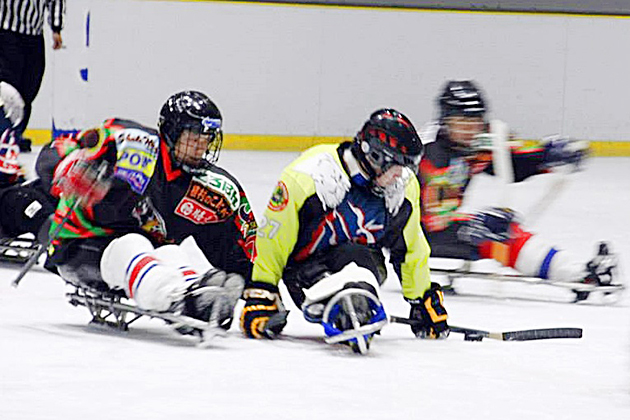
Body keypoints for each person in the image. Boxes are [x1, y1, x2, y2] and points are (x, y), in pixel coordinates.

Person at [42, 91, 256, 332]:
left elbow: (232, 243)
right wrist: (69, 169)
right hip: (78, 245)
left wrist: (259, 290)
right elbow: (58, 150)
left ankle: (199, 295)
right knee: (131, 245)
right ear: (172, 133)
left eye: (207, 138)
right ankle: (177, 300)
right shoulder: (131, 140)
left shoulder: (209, 188)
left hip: (141, 251)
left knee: (171, 252)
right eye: (193, 136)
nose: (201, 146)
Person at [240, 108, 449, 353]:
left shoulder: (402, 187)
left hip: (365, 263)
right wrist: (263, 291)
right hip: (305, 267)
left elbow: (410, 246)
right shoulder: (310, 175)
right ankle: (346, 304)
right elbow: (275, 235)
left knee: (356, 259)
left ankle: (357, 301)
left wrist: (422, 298)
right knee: (345, 273)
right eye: (396, 166)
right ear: (375, 157)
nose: (400, 175)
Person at [417, 80, 617, 286]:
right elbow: (433, 221)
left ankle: (578, 273)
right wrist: (476, 223)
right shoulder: (433, 156)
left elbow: (509, 164)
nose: (469, 131)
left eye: (475, 123)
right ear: (445, 122)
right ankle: (578, 275)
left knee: (501, 231)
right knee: (499, 233)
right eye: (461, 123)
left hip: (438, 225)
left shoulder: (470, 141)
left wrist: (547, 157)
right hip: (412, 233)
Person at [0, 0, 65, 152]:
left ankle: (14, 133)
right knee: (8, 87)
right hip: (6, 32)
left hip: (34, 36)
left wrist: (56, 29)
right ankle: (5, 133)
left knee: (29, 87)